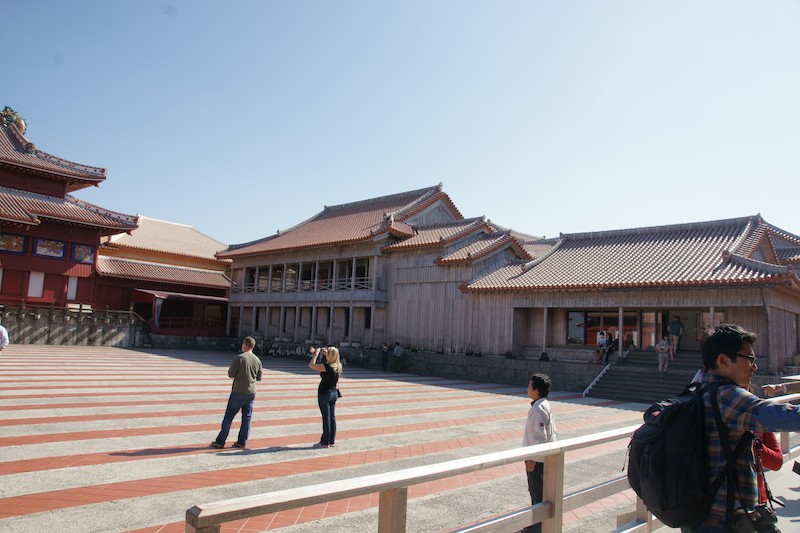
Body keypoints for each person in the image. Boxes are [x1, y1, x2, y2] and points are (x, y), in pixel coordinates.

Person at [683, 323, 800, 532]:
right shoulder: (728, 396)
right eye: (750, 359)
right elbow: (791, 418)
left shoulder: (695, 390)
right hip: (724, 520)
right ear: (723, 360)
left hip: (696, 515)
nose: (754, 367)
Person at [210, 337, 263, 449]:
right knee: (247, 418)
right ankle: (242, 441)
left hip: (238, 391)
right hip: (251, 392)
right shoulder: (257, 360)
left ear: (245, 344)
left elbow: (231, 374)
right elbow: (259, 377)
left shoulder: (239, 358)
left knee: (229, 416)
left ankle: (220, 441)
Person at [522, 373, 557, 533]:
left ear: (536, 390)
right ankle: (538, 523)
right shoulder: (543, 405)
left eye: (530, 385)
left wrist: (532, 459)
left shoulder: (538, 409)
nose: (528, 388)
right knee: (539, 491)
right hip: (541, 457)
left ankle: (537, 527)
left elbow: (539, 437)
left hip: (537, 459)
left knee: (536, 492)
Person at [308, 345, 342, 448]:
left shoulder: (326, 367)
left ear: (331, 355)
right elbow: (331, 359)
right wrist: (325, 353)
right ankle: (331, 440)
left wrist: (316, 355)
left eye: (328, 351)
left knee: (326, 418)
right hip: (334, 393)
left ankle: (325, 442)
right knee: (332, 417)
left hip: (325, 393)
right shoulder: (338, 366)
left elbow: (311, 365)